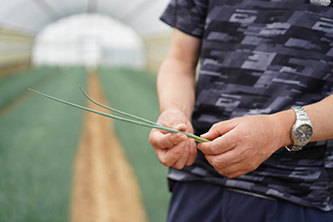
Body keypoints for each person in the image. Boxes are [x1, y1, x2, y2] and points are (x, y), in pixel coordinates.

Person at [149, 0, 333, 221]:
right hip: (199, 183)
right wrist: (174, 112)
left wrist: (280, 130)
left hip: (300, 196)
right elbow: (180, 59)